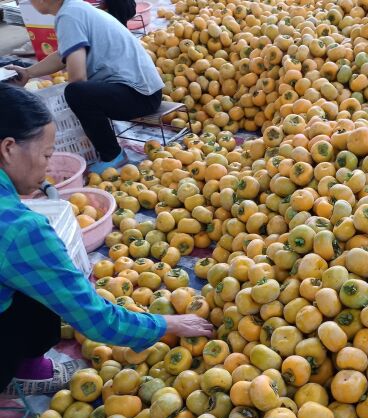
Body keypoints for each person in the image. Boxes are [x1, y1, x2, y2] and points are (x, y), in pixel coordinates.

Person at [0, 84, 213, 395]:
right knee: (47, 287)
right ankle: (26, 371)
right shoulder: (22, 229)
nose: (48, 166)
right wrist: (171, 324)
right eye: (47, 154)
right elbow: (95, 319)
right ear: (8, 148)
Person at [8, 0, 164, 174]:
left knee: (77, 92)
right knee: (79, 92)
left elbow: (78, 78)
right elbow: (63, 55)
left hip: (139, 95)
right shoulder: (74, 8)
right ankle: (111, 151)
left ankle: (112, 154)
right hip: (146, 91)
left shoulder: (68, 15)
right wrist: (28, 73)